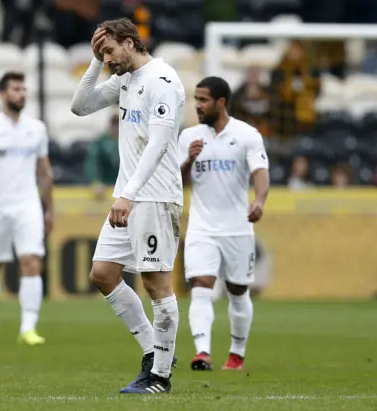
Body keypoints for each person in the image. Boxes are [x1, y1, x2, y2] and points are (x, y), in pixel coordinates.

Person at [71, 18, 185, 394]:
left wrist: (128, 195)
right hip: (130, 196)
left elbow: (158, 143)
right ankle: (155, 351)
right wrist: (93, 62)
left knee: (156, 283)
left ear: (131, 42)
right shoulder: (125, 79)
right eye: (102, 53)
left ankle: (161, 378)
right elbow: (80, 106)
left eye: (109, 51)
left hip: (153, 196)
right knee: (103, 274)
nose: (108, 59)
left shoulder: (162, 80)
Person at [178, 77, 270, 372]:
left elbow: (260, 171)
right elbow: (177, 183)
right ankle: (202, 352)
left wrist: (259, 201)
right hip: (201, 228)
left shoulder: (247, 135)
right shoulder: (188, 137)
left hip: (237, 228)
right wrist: (188, 162)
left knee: (238, 290)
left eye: (203, 100)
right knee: (201, 285)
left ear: (221, 102)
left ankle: (236, 353)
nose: (198, 105)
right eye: (196, 99)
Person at [0, 72, 54, 347]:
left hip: (27, 205)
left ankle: (28, 327)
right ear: (3, 94)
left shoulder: (37, 128)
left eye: (24, 89)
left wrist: (49, 208)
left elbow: (44, 172)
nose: (21, 94)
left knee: (31, 261)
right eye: (16, 89)